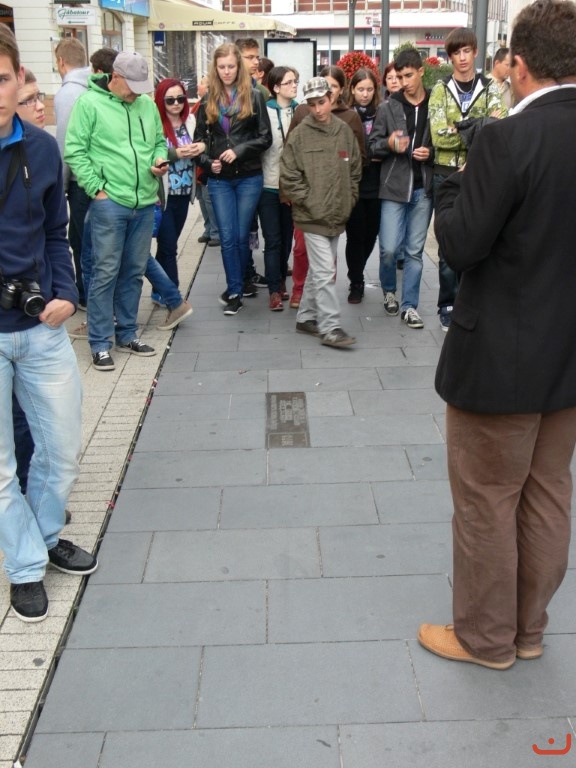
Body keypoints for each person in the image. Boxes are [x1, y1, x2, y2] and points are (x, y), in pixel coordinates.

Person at [418, 0, 576, 670]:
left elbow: (460, 245)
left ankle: (486, 639)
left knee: (487, 499)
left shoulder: (507, 139)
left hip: (500, 359)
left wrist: (452, 188)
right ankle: (528, 630)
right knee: (548, 494)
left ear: (520, 63)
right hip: (567, 358)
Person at [0, 26, 98, 623]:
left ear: (19, 78)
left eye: (2, 78)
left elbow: (55, 233)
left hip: (40, 326)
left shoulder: (40, 148)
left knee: (60, 452)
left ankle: (40, 537)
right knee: (2, 469)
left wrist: (66, 292)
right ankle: (26, 566)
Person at [65, 51, 168, 370]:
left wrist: (158, 160)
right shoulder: (88, 103)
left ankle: (127, 334)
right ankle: (99, 342)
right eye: (132, 86)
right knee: (104, 273)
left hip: (144, 201)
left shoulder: (146, 105)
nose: (137, 92)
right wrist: (97, 188)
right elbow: (74, 150)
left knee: (134, 272)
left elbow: (159, 141)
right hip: (110, 203)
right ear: (116, 77)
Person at [428, 27, 507, 331]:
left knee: (479, 238)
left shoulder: (489, 88)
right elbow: (439, 136)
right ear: (449, 57)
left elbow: (499, 127)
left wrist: (459, 127)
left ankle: (469, 302)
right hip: (446, 174)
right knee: (448, 241)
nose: (462, 58)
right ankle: (447, 303)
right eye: (455, 53)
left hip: (479, 174)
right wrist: (477, 127)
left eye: (466, 51)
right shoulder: (440, 89)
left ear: (475, 52)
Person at [280, 76, 362, 348]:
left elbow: (354, 168)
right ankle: (330, 327)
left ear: (331, 98)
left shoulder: (343, 130)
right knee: (326, 271)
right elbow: (289, 174)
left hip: (337, 213)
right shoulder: (300, 134)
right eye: (312, 104)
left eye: (322, 102)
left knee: (320, 271)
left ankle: (305, 317)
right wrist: (308, 201)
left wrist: (349, 198)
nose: (317, 109)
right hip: (311, 216)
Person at [194, 43, 272, 316]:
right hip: (219, 179)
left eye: (231, 66)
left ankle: (240, 283)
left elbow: (265, 138)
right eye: (221, 67)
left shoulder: (254, 96)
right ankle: (235, 291)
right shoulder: (208, 100)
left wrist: (239, 150)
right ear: (215, 69)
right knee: (227, 237)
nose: (226, 71)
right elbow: (199, 141)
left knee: (240, 235)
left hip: (249, 176)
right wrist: (208, 162)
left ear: (239, 67)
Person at [369, 49, 434, 329]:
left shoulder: (435, 102)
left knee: (414, 252)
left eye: (408, 75)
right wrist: (390, 144)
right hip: (393, 187)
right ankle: (389, 290)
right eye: (399, 76)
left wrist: (430, 153)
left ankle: (409, 306)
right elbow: (373, 146)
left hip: (423, 187)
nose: (403, 82)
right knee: (389, 249)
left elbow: (444, 139)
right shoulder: (388, 106)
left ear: (421, 72)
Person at [152, 78, 200, 309]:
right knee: (169, 246)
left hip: (183, 192)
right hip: (163, 195)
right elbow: (152, 154)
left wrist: (199, 147)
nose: (176, 104)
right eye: (170, 100)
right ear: (161, 101)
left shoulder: (190, 120)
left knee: (167, 246)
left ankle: (158, 290)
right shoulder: (155, 123)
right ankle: (174, 296)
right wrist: (176, 154)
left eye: (180, 98)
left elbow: (202, 143)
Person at [54, 37, 91, 310]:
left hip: (80, 181)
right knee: (82, 239)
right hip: (98, 177)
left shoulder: (68, 93)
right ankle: (83, 292)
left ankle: (87, 295)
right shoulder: (94, 86)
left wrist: (61, 184)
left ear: (60, 62)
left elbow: (66, 143)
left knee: (82, 242)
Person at [258, 66, 298, 311]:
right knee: (272, 239)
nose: (294, 86)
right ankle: (274, 289)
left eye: (295, 81)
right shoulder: (264, 111)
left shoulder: (299, 111)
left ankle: (282, 279)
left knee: (286, 238)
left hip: (291, 186)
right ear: (275, 87)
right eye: (289, 82)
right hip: (268, 185)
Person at [345, 67, 381, 304]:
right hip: (354, 184)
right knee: (355, 236)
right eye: (360, 89)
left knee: (371, 234)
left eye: (369, 89)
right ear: (352, 90)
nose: (365, 94)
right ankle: (356, 281)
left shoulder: (381, 113)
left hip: (377, 183)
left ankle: (357, 268)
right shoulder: (347, 115)